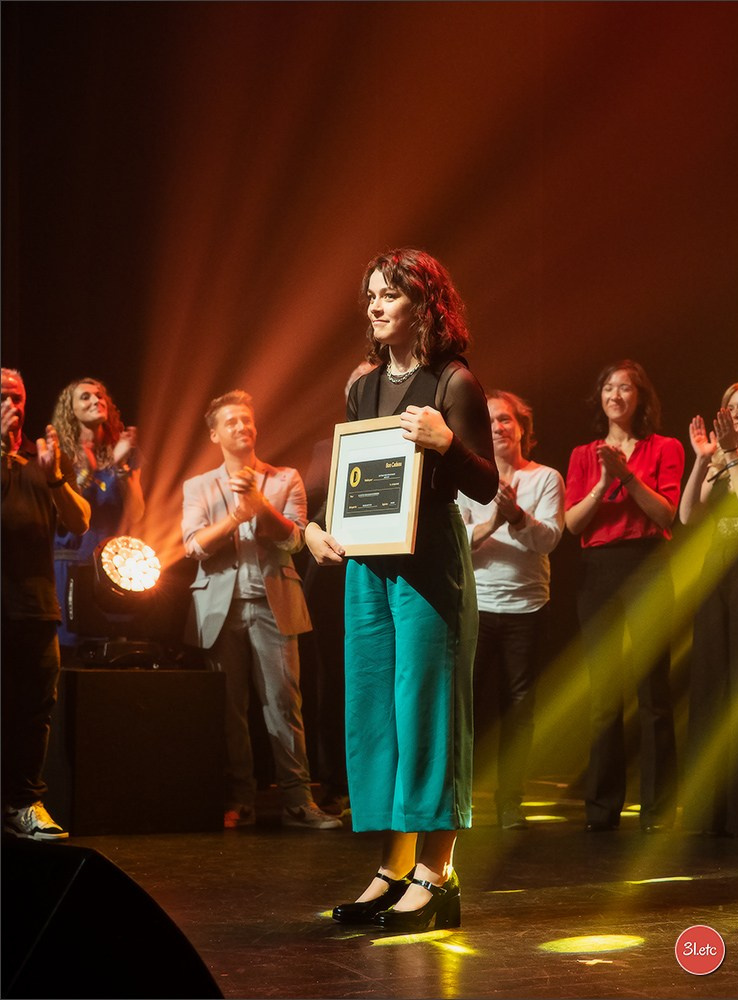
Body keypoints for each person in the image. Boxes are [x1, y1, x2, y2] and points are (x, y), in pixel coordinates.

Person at [305, 248, 497, 930]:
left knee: (427, 712)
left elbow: (485, 484)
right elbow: (351, 482)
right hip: (368, 565)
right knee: (377, 715)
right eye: (370, 297)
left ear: (425, 305)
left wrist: (448, 443)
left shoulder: (454, 382)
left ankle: (436, 874)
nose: (375, 307)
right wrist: (314, 531)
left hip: (427, 564)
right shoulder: (362, 386)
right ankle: (391, 869)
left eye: (389, 295)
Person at [181, 390, 341, 831]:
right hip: (219, 609)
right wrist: (236, 516)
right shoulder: (198, 486)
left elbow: (294, 539)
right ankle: (240, 798)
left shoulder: (284, 477)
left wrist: (259, 503)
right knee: (231, 709)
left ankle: (297, 800)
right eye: (231, 421)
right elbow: (192, 545)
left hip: (274, 604)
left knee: (284, 703)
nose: (242, 427)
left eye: (247, 420)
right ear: (215, 433)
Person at [564, 360, 684, 834]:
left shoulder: (665, 447)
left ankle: (658, 810)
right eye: (609, 387)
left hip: (648, 565)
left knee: (654, 693)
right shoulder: (582, 454)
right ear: (601, 398)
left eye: (626, 388)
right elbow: (573, 525)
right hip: (599, 571)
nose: (616, 395)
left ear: (640, 398)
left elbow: (667, 514)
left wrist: (629, 477)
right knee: (604, 695)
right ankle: (602, 808)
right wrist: (603, 482)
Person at [458, 390, 565, 830]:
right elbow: (457, 544)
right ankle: (458, 800)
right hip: (477, 606)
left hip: (527, 607)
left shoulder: (545, 478)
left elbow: (550, 540)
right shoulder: (468, 481)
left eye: (506, 420)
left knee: (519, 711)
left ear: (522, 428)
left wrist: (518, 517)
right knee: (465, 707)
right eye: (490, 421)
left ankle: (510, 803)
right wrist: (494, 522)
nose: (499, 427)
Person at [2, 368, 90, 840]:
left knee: (34, 711)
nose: (11, 406)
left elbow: (79, 521)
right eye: (1, 397)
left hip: (35, 607)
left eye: (16, 397)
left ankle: (24, 802)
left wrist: (55, 476)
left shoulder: (40, 464)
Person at [300, 360, 377, 816]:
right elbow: (315, 506)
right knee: (334, 677)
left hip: (383, 562)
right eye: (358, 385)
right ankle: (338, 782)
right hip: (332, 569)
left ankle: (375, 782)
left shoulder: (408, 435)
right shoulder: (329, 445)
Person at [678, 381, 738, 837]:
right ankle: (709, 813)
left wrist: (735, 458)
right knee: (709, 682)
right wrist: (705, 457)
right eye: (737, 407)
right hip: (717, 572)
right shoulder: (721, 459)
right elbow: (688, 517)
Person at [51, 377, 145, 653]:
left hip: (112, 568)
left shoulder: (125, 453)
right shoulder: (60, 454)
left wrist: (119, 467)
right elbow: (62, 514)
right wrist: (87, 471)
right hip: (70, 564)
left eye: (100, 396)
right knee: (68, 652)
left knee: (112, 649)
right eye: (85, 397)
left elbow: (137, 514)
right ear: (71, 411)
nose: (96, 401)